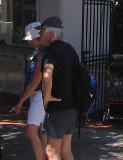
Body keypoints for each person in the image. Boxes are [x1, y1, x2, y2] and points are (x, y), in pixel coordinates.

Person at [37, 16, 79, 160]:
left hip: (58, 108)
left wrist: (47, 95)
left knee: (52, 151)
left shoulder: (50, 51)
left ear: (49, 32)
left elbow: (47, 74)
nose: (39, 34)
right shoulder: (70, 49)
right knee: (66, 149)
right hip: (71, 106)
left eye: (41, 30)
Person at [10, 22, 47, 160]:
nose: (30, 42)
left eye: (31, 39)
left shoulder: (42, 54)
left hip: (39, 95)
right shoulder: (43, 52)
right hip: (41, 94)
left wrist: (21, 100)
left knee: (31, 131)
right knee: (41, 129)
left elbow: (35, 81)